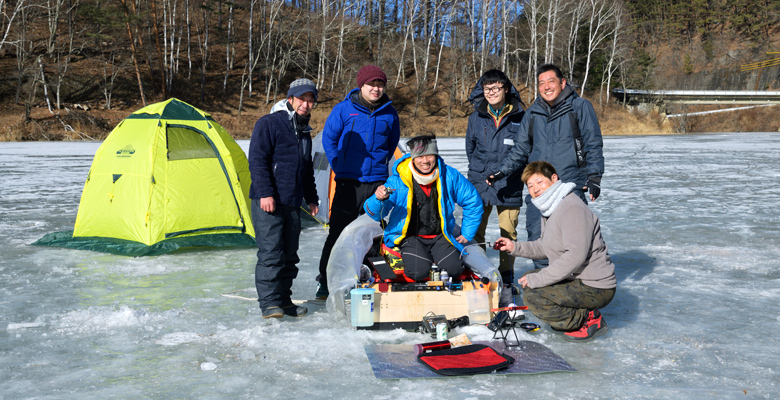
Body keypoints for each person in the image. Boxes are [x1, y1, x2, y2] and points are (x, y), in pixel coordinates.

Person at [488, 63, 604, 269]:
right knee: (538, 236)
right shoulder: (532, 113)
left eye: (551, 81)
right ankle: (545, 285)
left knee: (574, 238)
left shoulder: (579, 107)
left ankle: (576, 284)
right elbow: (520, 149)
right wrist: (502, 171)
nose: (546, 87)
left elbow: (592, 142)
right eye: (541, 83)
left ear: (562, 83)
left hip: (570, 185)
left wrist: (594, 176)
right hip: (539, 190)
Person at [493, 161, 616, 341]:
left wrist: (538, 279)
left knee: (535, 297)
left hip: (595, 286)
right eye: (530, 185)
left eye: (539, 182)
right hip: (577, 278)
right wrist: (514, 247)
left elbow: (575, 256)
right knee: (530, 278)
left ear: (554, 179)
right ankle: (577, 313)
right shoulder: (552, 207)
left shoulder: (572, 208)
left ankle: (589, 319)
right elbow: (545, 246)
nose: (535, 189)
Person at [316, 65, 401, 299]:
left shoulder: (389, 112)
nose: (376, 88)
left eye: (380, 84)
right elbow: (329, 140)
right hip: (348, 183)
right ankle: (324, 281)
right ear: (361, 85)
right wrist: (339, 166)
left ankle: (368, 279)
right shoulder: (344, 110)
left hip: (377, 184)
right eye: (372, 84)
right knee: (338, 233)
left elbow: (392, 144)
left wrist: (381, 168)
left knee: (373, 234)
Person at [363, 135, 483, 282]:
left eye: (430, 155)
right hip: (411, 236)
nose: (425, 161)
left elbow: (473, 201)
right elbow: (375, 214)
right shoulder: (398, 180)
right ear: (413, 157)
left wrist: (467, 233)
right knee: (417, 272)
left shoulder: (449, 176)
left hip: (441, 235)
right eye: (420, 156)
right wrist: (378, 199)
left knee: (453, 270)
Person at [248, 78, 320, 319]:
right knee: (271, 253)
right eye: (302, 99)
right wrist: (266, 193)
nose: (306, 104)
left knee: (290, 254)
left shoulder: (304, 132)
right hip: (268, 201)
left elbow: (306, 168)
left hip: (292, 201)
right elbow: (258, 161)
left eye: (311, 100)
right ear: (290, 99)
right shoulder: (269, 124)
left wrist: (311, 198)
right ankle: (269, 304)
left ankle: (284, 300)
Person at [465, 69, 525, 287]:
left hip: (510, 184)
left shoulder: (521, 116)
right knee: (476, 229)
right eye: (487, 88)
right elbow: (470, 150)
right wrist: (481, 172)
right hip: (480, 182)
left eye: (495, 88)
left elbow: (524, 150)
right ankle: (481, 273)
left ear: (506, 89)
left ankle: (507, 276)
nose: (491, 92)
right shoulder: (476, 117)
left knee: (508, 232)